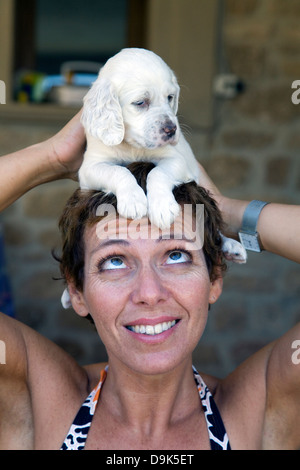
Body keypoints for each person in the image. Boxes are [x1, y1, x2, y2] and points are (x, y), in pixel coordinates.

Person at [0, 113, 299, 450]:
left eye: (175, 255)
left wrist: (226, 212)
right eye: (114, 261)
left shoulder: (261, 408)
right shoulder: (36, 399)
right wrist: (53, 158)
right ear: (77, 290)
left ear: (214, 276)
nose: (149, 293)